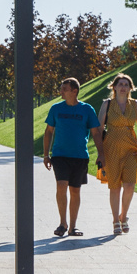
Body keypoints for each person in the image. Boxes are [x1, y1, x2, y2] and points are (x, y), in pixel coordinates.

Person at [41, 77, 99, 238]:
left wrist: (101, 154)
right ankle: (62, 223)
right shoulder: (55, 109)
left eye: (64, 89)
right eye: (61, 88)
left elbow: (96, 132)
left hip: (80, 156)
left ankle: (73, 227)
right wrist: (46, 154)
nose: (61, 91)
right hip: (59, 155)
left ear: (74, 91)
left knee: (75, 190)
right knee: (61, 185)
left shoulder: (87, 109)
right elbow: (48, 132)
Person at [97, 74, 137, 235]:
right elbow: (98, 129)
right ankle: (115, 220)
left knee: (130, 185)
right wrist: (100, 152)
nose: (123, 87)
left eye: (126, 84)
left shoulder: (135, 104)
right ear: (114, 87)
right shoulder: (107, 104)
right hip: (111, 148)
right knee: (115, 186)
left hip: (131, 149)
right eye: (120, 84)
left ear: (130, 88)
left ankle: (123, 216)